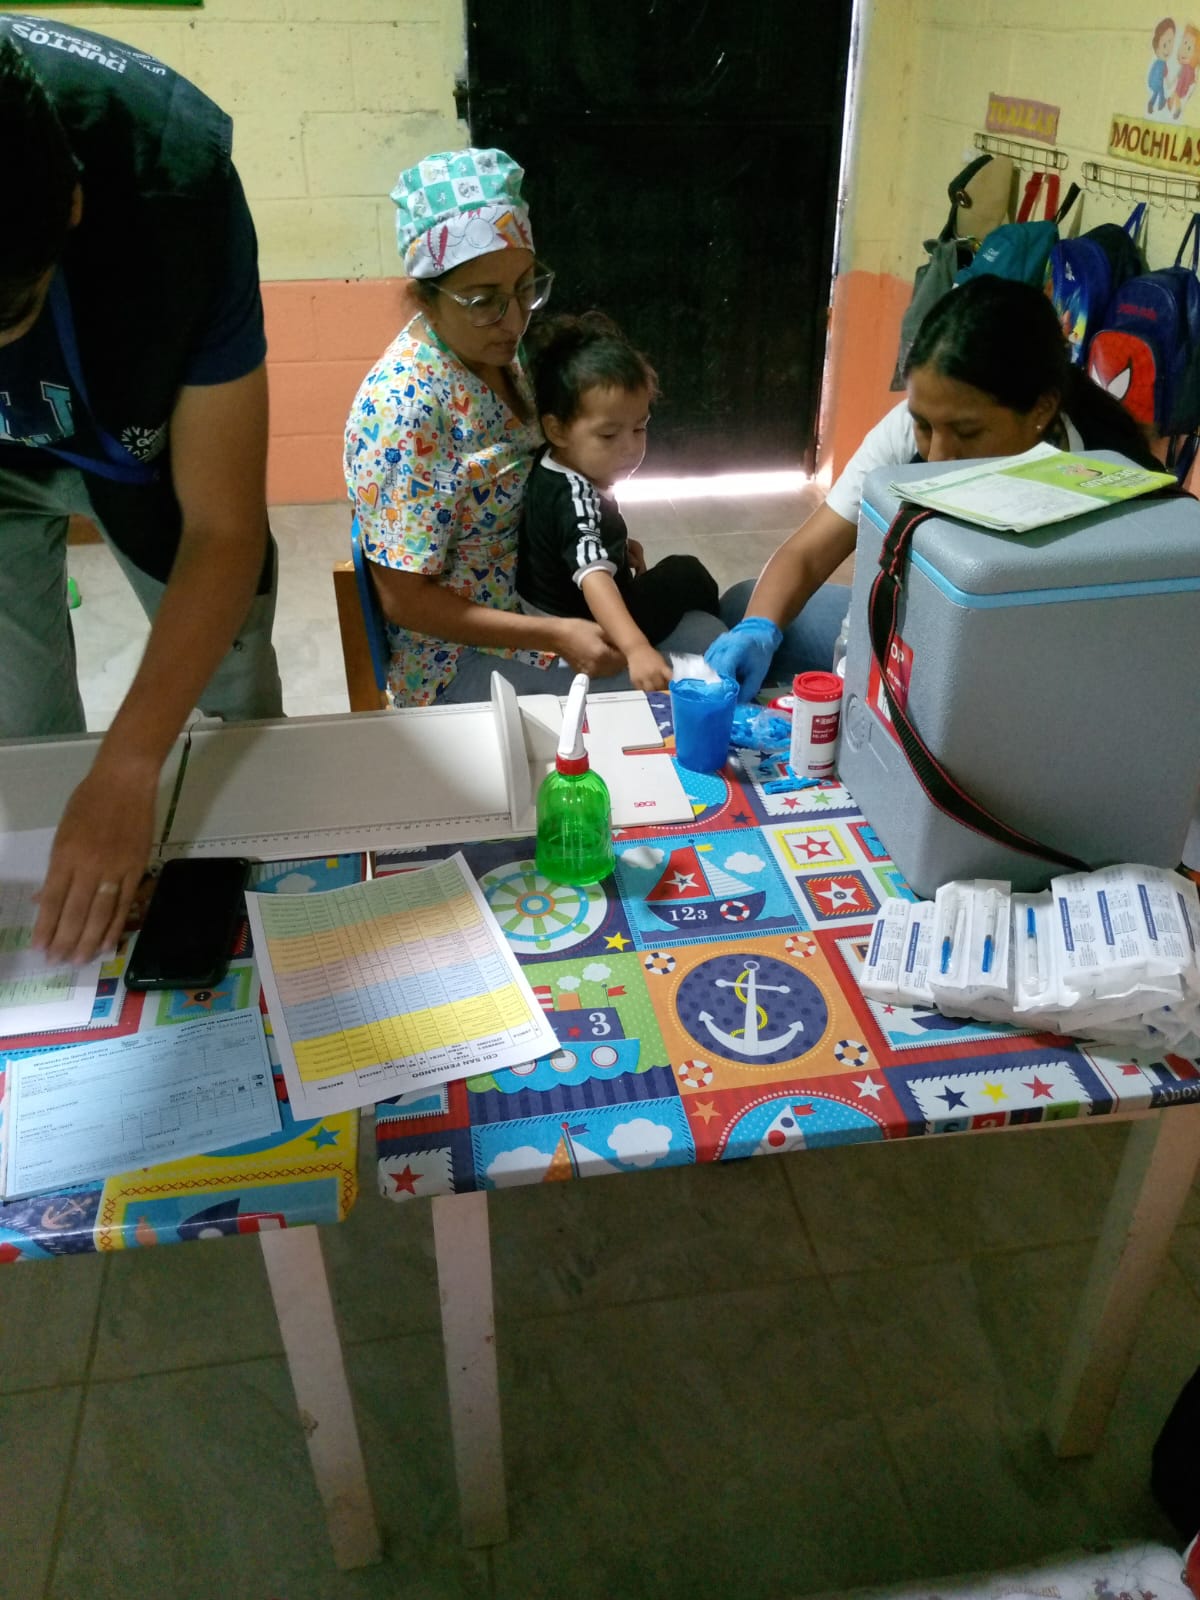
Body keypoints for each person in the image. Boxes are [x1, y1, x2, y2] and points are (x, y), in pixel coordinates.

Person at [0, 18, 282, 965]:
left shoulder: (175, 190)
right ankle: (59, 894)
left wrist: (129, 765)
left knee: (231, 697)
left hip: (143, 452)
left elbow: (223, 527)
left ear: (73, 203)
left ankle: (242, 902)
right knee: (19, 731)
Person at [344, 148, 723, 709]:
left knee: (707, 626)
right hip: (461, 658)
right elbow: (403, 599)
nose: (516, 319)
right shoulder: (405, 409)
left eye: (526, 288)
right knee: (702, 667)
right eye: (484, 302)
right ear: (425, 298)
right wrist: (555, 635)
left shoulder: (505, 356)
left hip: (543, 597)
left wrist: (595, 539)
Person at [707, 273, 1163, 702]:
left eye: (967, 432)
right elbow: (808, 554)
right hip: (909, 637)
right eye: (925, 425)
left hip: (1018, 678)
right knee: (747, 603)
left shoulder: (1109, 485)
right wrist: (758, 629)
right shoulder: (904, 434)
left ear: (1041, 409)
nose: (939, 456)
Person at [517, 313, 719, 692]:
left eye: (640, 428)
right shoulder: (576, 495)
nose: (629, 447)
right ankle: (715, 639)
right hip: (585, 626)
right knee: (686, 573)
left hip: (550, 605)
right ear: (556, 428)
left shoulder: (554, 464)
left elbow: (569, 540)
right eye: (609, 435)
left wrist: (617, 546)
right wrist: (636, 648)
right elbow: (593, 576)